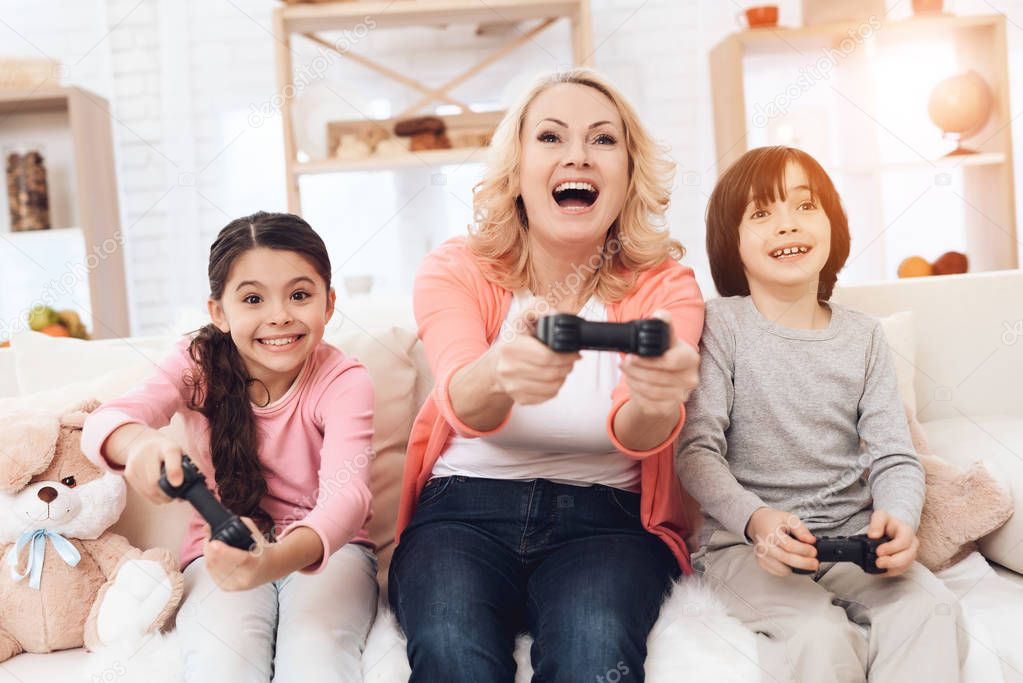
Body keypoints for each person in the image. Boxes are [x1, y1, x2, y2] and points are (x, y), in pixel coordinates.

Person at [388, 68, 705, 682]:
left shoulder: (665, 285)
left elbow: (642, 432)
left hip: (608, 524)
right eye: (552, 138)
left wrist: (656, 394)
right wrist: (502, 370)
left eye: (603, 140)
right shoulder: (455, 269)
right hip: (462, 515)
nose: (578, 156)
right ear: (516, 170)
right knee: (452, 649)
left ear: (629, 174)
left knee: (595, 652)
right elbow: (461, 398)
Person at [676, 146, 968, 682]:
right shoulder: (721, 327)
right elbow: (696, 453)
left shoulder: (865, 337)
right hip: (745, 548)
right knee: (819, 634)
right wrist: (757, 520)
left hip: (852, 541)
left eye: (804, 206)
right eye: (761, 214)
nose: (787, 225)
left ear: (832, 224)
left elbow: (895, 457)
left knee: (933, 609)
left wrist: (898, 518)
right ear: (731, 243)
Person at [81, 211, 378, 682]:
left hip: (330, 551)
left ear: (328, 303)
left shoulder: (344, 380)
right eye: (253, 299)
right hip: (219, 550)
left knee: (316, 657)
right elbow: (106, 420)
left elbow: (348, 497)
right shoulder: (195, 364)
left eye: (299, 295)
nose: (279, 315)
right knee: (223, 662)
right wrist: (137, 445)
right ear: (219, 312)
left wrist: (275, 560)